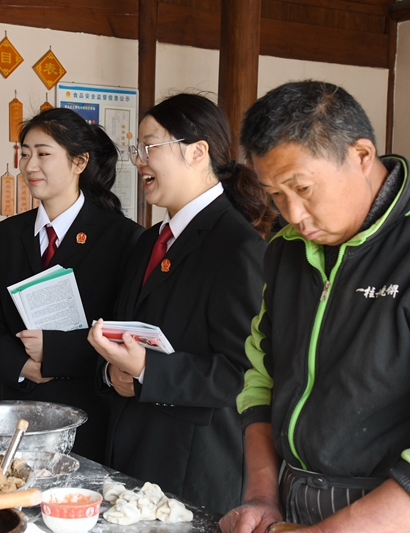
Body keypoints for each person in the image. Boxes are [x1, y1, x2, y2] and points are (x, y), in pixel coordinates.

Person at [220, 80, 410, 533]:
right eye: (276, 194)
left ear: (361, 156)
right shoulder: (286, 250)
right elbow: (260, 379)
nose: (292, 214)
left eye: (303, 188)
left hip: (393, 512)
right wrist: (261, 496)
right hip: (295, 497)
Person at [87, 93, 275, 514]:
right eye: (138, 149)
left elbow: (243, 374)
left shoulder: (237, 246)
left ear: (197, 152)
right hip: (136, 457)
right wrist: (114, 370)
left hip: (191, 469)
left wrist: (146, 370)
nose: (140, 161)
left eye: (150, 147)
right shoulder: (150, 241)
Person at [0, 107, 143, 463]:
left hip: (87, 413)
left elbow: (125, 331)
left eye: (43, 154)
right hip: (16, 409)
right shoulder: (7, 235)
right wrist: (22, 367)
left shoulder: (122, 238)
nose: (30, 166)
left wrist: (54, 352)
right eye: (24, 154)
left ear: (79, 162)